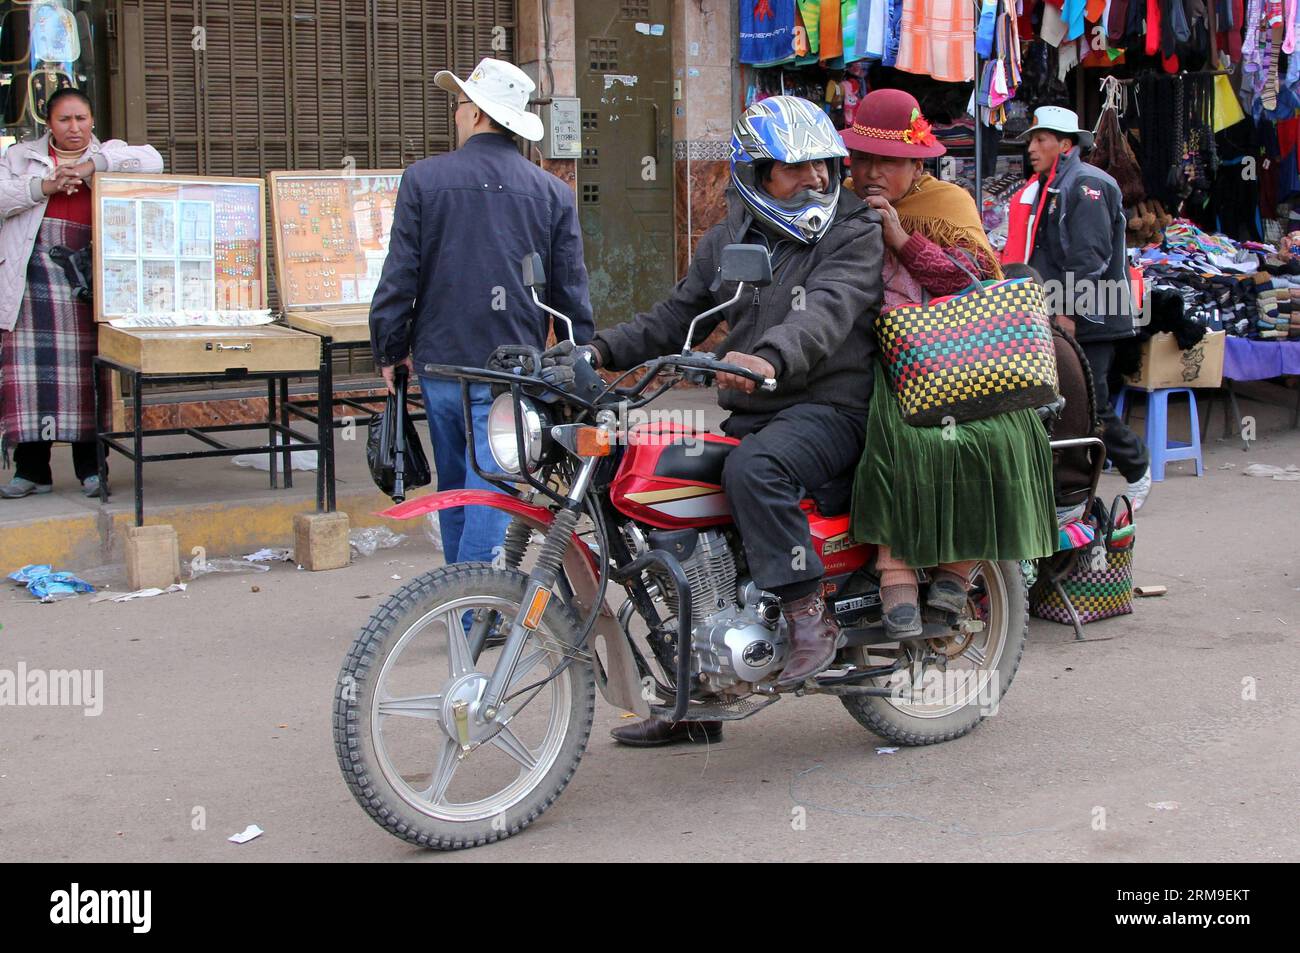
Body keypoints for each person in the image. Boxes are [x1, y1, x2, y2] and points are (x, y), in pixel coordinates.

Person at [561, 95, 885, 746]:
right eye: (794, 169)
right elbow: (675, 318)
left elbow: (823, 313)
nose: (815, 180)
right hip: (760, 407)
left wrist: (767, 357)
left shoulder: (853, 232)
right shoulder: (730, 239)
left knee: (754, 467)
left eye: (821, 165)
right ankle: (699, 693)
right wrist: (593, 352)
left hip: (831, 406)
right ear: (755, 173)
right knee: (659, 496)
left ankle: (806, 615)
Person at [842, 89, 1057, 638]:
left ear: (917, 162)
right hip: (882, 359)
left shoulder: (948, 205)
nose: (871, 172)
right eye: (862, 159)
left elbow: (976, 286)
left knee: (995, 435)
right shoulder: (838, 206)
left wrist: (901, 239)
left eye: (887, 161)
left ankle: (958, 571)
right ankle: (895, 572)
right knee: (899, 437)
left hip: (956, 356)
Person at [369, 58, 593, 566]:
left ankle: (468, 606)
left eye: (459, 103)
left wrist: (389, 348)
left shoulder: (423, 180)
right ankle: (473, 606)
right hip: (510, 373)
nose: (455, 112)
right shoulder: (553, 193)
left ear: (475, 114)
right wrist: (580, 357)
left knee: (457, 488)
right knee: (492, 490)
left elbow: (400, 275)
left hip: (441, 366)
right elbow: (570, 291)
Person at [0, 88, 163, 499]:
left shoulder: (113, 153)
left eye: (81, 119)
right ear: (48, 124)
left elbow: (154, 162)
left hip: (86, 280)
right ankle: (32, 470)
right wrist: (44, 185)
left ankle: (92, 469)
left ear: (92, 121)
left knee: (86, 378)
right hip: (31, 278)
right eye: (64, 120)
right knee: (31, 377)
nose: (74, 127)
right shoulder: (21, 158)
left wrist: (92, 166)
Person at [1003, 105, 1152, 511]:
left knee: (1093, 403)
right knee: (1060, 399)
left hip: (1092, 315)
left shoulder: (1086, 184)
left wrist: (1068, 310)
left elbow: (1090, 257)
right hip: (1058, 310)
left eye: (1040, 139)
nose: (1031, 147)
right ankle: (1067, 486)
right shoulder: (1048, 184)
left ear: (1065, 144)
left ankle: (1137, 469)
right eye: (1031, 140)